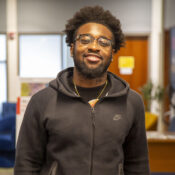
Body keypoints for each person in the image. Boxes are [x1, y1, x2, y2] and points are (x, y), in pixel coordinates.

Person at [14, 6, 150, 175]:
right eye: (85, 40)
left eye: (104, 42)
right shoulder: (42, 101)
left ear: (112, 53)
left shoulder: (132, 102)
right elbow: (26, 163)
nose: (94, 47)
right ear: (72, 48)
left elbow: (137, 165)